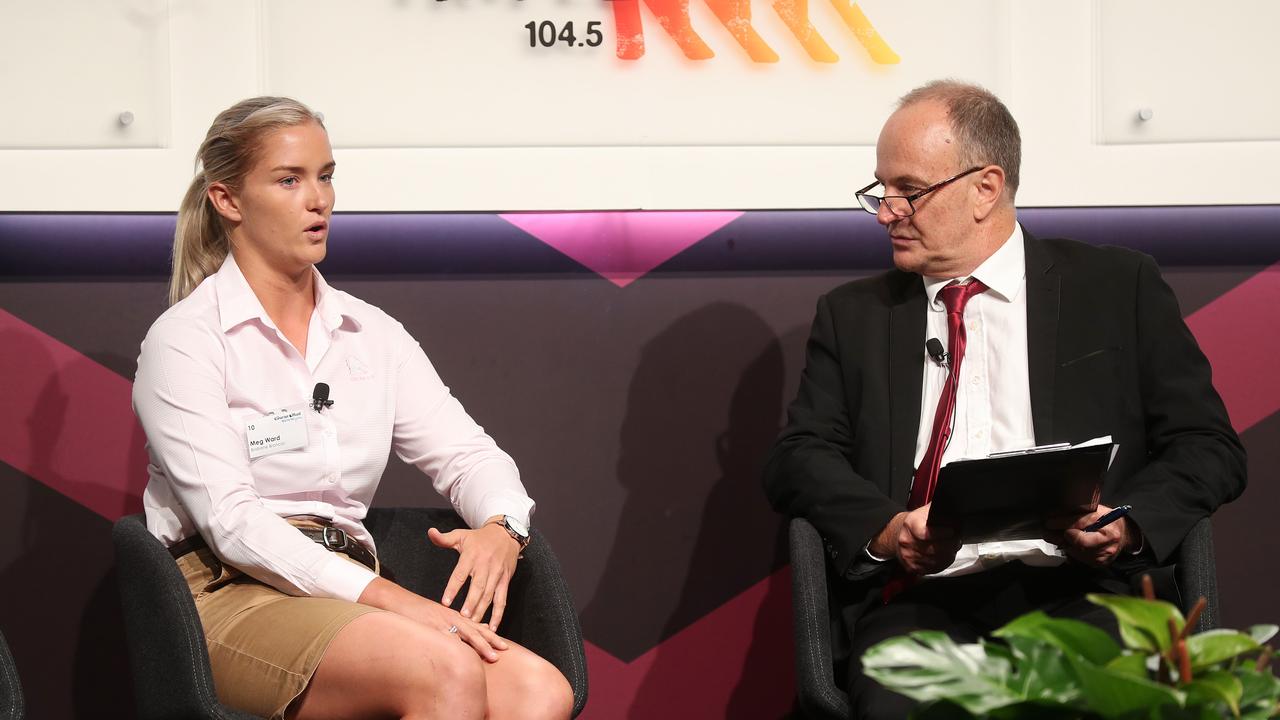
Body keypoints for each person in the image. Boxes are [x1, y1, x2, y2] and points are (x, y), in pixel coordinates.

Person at [763, 80, 1246, 719]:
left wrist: (1126, 523)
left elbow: (1208, 447)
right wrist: (888, 532)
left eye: (909, 191)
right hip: (921, 605)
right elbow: (799, 457)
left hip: (1092, 595)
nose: (887, 212)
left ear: (985, 189)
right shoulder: (854, 316)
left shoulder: (1115, 286)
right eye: (880, 191)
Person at [132, 96, 573, 720]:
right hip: (231, 595)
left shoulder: (373, 334)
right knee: (439, 665)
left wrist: (503, 527)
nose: (319, 200)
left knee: (539, 691)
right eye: (289, 180)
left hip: (349, 591)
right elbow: (232, 525)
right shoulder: (186, 339)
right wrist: (403, 603)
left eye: (326, 175)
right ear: (228, 200)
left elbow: (470, 455)